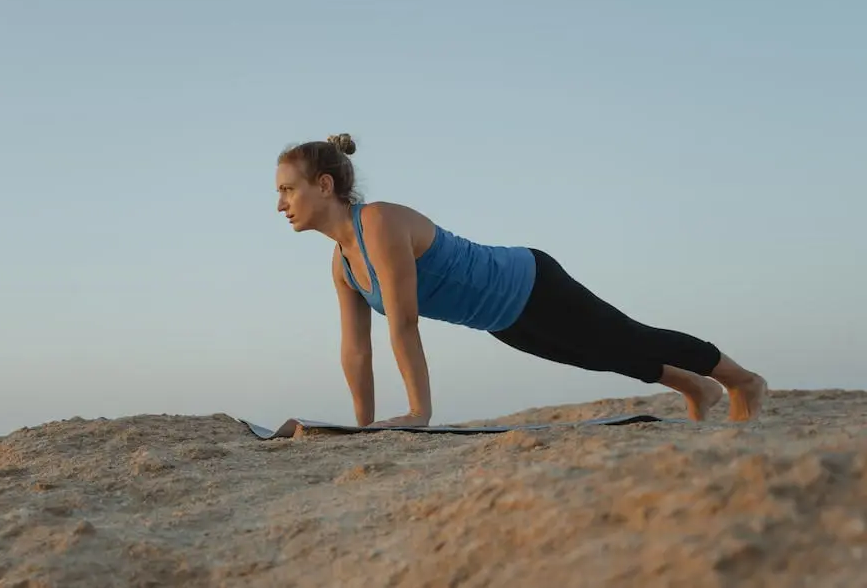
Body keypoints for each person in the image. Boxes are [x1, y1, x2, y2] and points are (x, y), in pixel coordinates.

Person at [274, 133, 768, 428]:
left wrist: (417, 412)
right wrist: (363, 427)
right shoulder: (342, 265)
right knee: (595, 355)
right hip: (500, 319)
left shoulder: (379, 223)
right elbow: (356, 351)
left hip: (530, 281)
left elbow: (403, 324)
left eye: (287, 190)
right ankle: (695, 389)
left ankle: (741, 380)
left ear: (324, 185)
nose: (281, 204)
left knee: (627, 336)